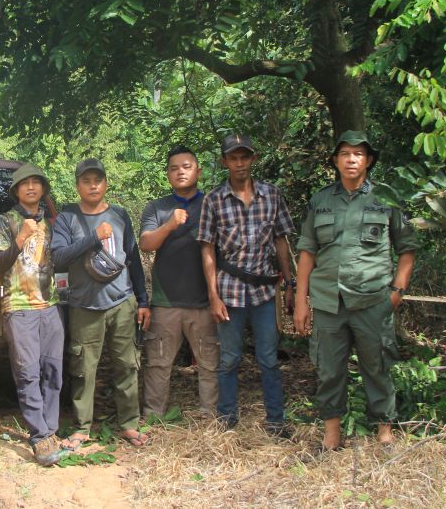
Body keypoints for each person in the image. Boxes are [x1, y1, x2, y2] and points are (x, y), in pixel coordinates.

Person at [294, 131, 416, 450]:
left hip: (373, 300)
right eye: (345, 154)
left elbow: (407, 248)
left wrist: (396, 293)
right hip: (328, 302)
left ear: (368, 161)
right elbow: (307, 252)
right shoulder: (320, 201)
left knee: (377, 365)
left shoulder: (386, 198)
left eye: (358, 154)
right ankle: (332, 434)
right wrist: (300, 302)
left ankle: (384, 431)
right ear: (335, 160)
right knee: (329, 369)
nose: (351, 159)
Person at [197, 134, 295, 436]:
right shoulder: (214, 199)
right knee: (229, 359)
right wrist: (213, 295)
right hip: (229, 291)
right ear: (225, 162)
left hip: (264, 290)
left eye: (244, 157)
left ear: (253, 159)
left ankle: (276, 422)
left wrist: (290, 284)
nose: (239, 163)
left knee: (268, 358)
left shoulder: (272, 195)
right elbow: (208, 250)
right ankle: (227, 422)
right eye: (233, 158)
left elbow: (281, 241)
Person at [51, 158, 150, 450]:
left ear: (106, 183)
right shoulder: (67, 217)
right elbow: (58, 258)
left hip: (122, 302)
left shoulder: (120, 215)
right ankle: (82, 428)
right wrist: (94, 237)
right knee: (83, 368)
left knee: (127, 365)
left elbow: (132, 258)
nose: (93, 185)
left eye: (98, 180)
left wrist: (142, 300)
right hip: (84, 305)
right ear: (77, 185)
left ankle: (129, 424)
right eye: (86, 180)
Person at [0, 164, 64, 467]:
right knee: (28, 372)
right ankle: (39, 436)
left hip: (50, 305)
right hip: (18, 308)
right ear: (17, 190)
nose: (31, 188)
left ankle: (51, 430)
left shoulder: (55, 222)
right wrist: (20, 238)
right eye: (25, 184)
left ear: (43, 189)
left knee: (53, 371)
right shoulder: (5, 221)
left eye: (36, 183)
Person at [139, 146, 219, 418]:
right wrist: (170, 225)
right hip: (166, 301)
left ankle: (210, 415)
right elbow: (146, 244)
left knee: (209, 363)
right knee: (158, 364)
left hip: (205, 301)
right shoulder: (158, 207)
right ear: (167, 174)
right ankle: (153, 416)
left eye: (186, 166)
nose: (180, 172)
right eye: (174, 168)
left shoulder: (212, 204)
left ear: (198, 169)